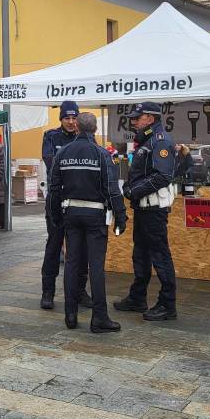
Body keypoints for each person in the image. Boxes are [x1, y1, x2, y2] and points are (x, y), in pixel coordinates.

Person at [48, 112, 127, 333]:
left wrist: (55, 217)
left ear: (78, 128)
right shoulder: (102, 154)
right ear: (94, 130)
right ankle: (99, 318)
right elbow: (112, 190)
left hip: (70, 212)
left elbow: (54, 190)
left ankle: (70, 314)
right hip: (95, 215)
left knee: (72, 263)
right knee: (96, 267)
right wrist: (121, 217)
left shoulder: (63, 153)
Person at [114, 102, 178, 322]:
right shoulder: (147, 141)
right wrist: (130, 188)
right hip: (143, 207)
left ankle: (167, 304)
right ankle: (137, 297)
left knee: (160, 255)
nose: (133, 121)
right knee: (140, 254)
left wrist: (134, 191)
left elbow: (163, 176)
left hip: (153, 208)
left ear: (150, 119)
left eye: (137, 118)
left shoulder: (160, 141)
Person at [40, 100, 89, 311]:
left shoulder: (85, 137)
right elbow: (51, 163)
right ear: (60, 119)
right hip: (57, 201)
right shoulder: (51, 136)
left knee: (79, 249)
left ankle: (79, 291)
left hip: (78, 200)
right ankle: (47, 292)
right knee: (54, 247)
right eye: (67, 118)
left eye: (73, 118)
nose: (70, 122)